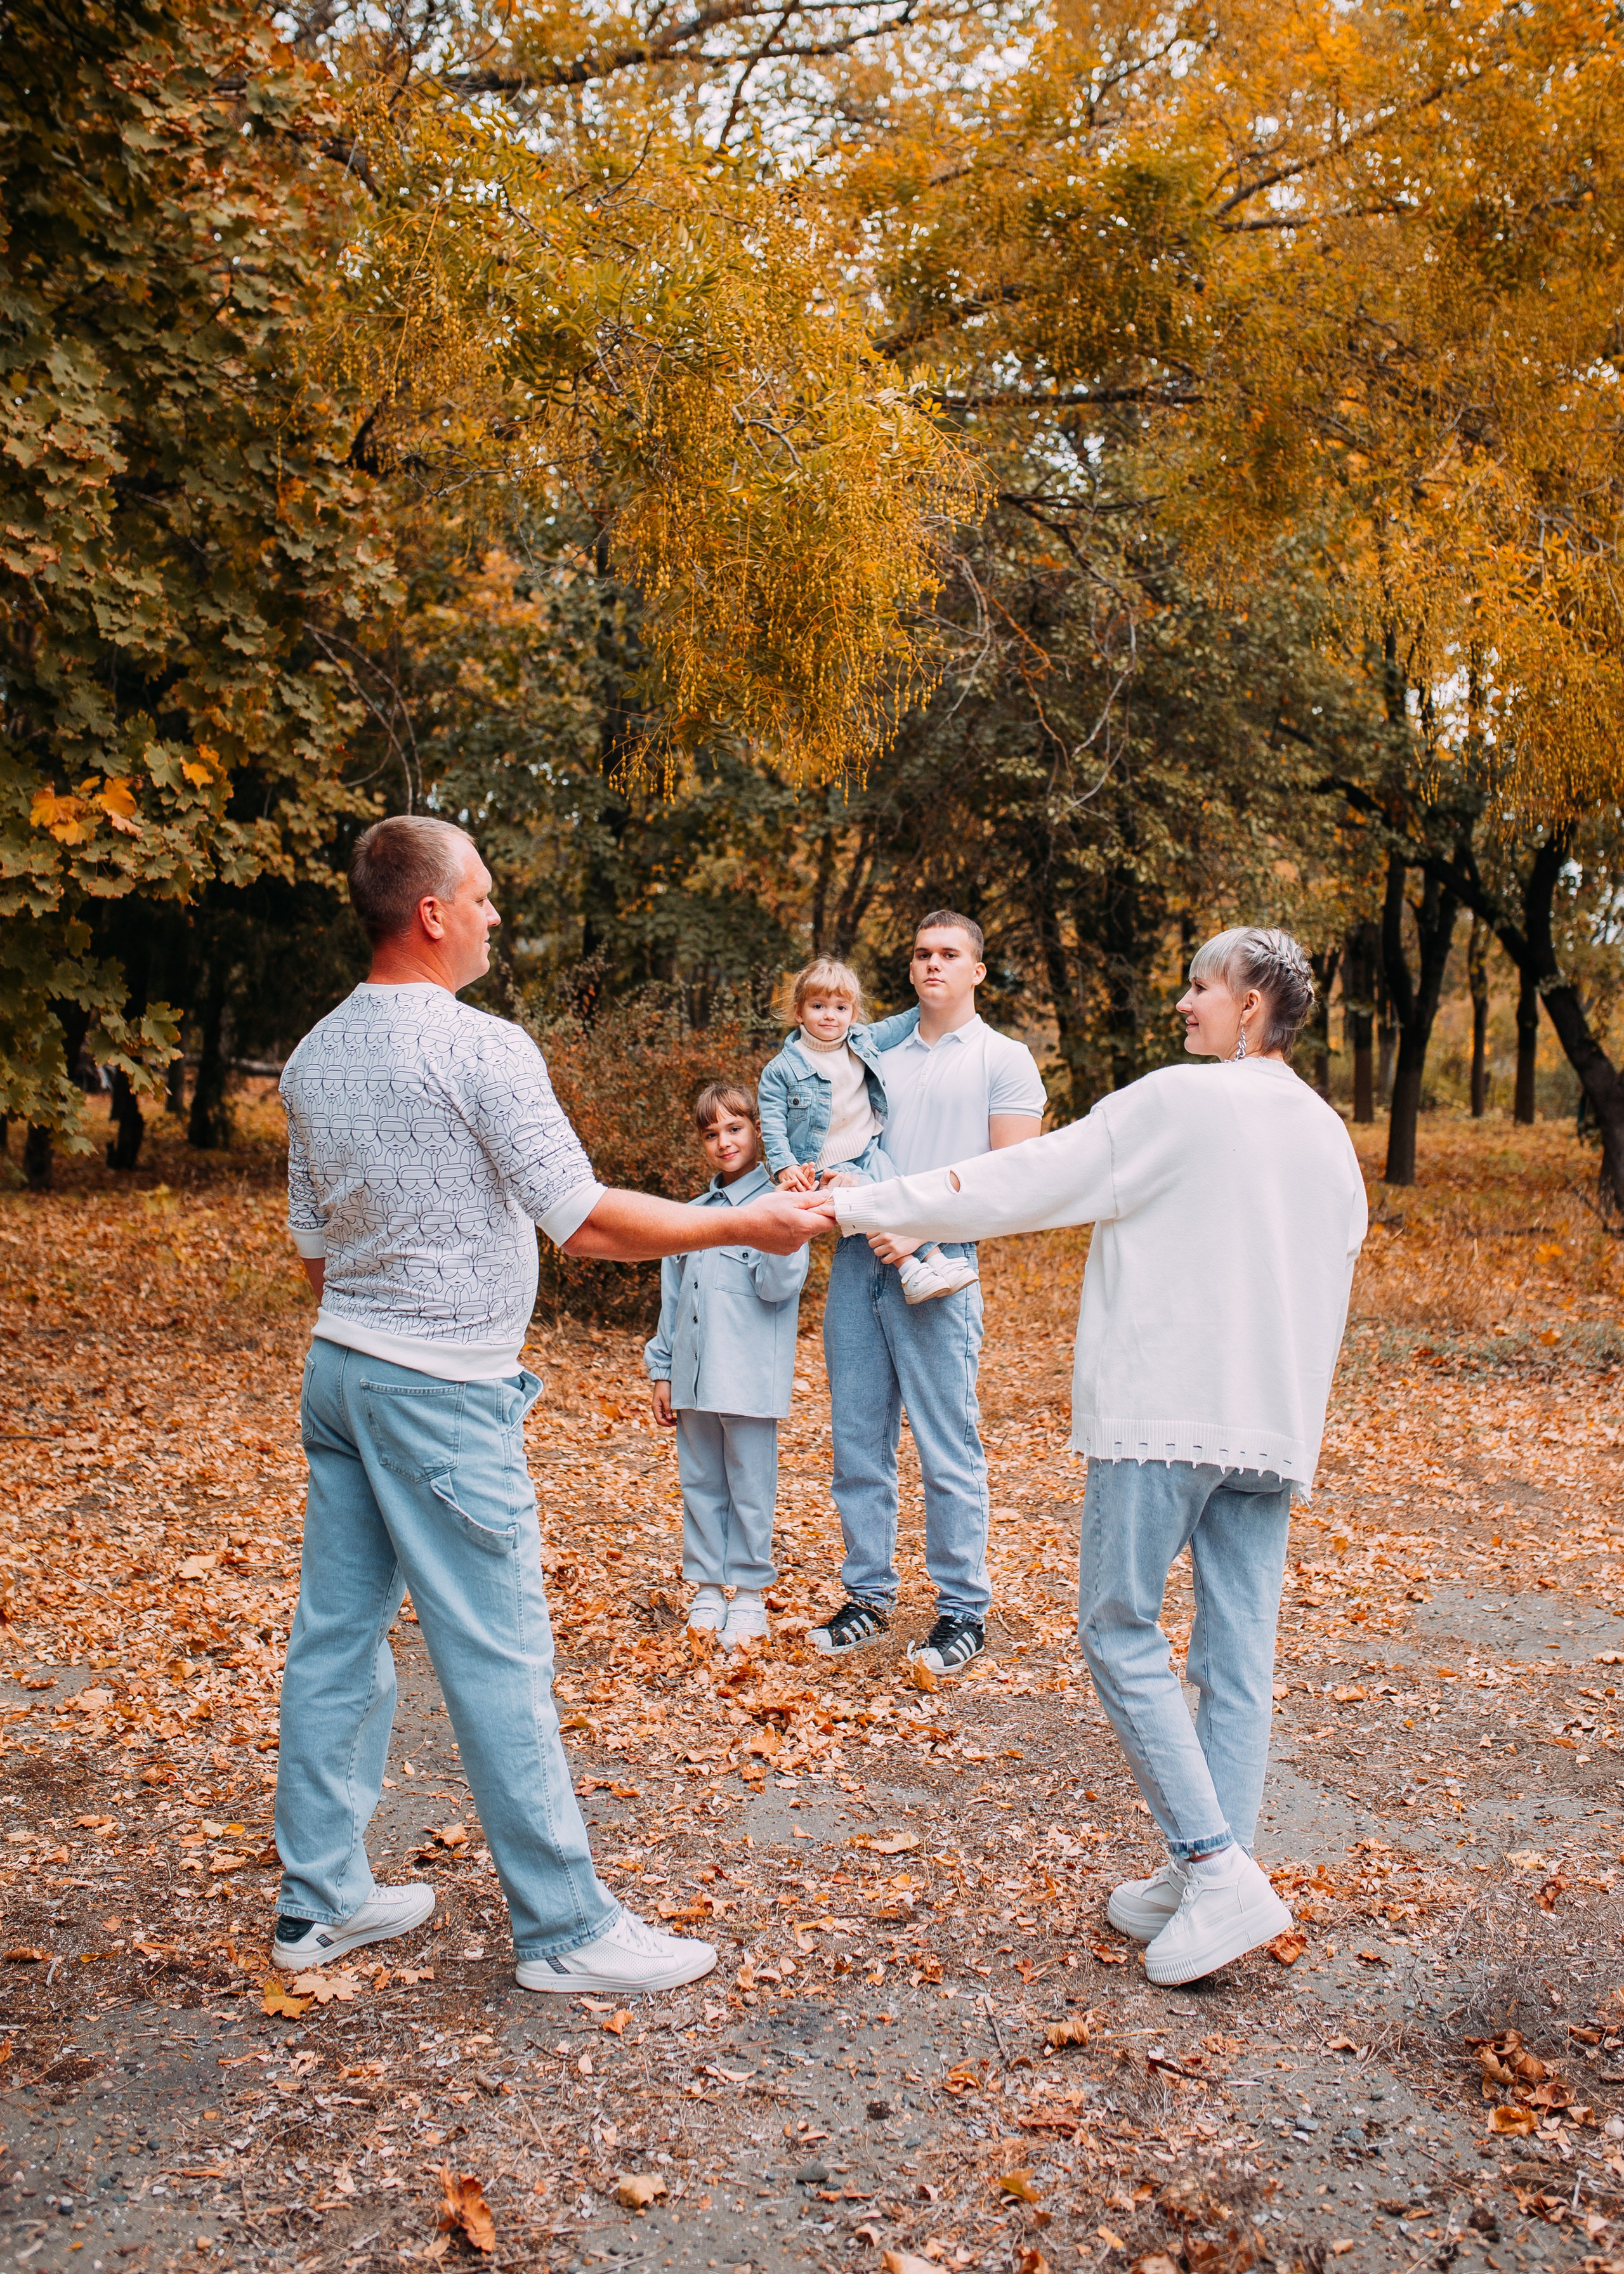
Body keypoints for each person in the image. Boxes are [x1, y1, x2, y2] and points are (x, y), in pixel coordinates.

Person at [273, 815, 818, 1996]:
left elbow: (315, 1255)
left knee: (335, 1642)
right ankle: (566, 1929)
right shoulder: (481, 1046)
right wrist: (747, 1220)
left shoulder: (312, 1055)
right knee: (501, 1655)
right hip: (440, 1395)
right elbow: (587, 1222)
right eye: (481, 896)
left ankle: (319, 1902)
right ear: (431, 913)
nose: (495, 915)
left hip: (342, 1376)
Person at [815, 927, 1367, 1987]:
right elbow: (1334, 1259)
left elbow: (1021, 1179)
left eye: (1202, 986)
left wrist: (853, 1202)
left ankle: (1213, 1869)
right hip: (1272, 1424)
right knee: (1236, 1659)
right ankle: (1207, 1869)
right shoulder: (1328, 1133)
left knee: (1118, 1629)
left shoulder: (1180, 1100)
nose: (1184, 1003)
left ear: (1252, 1006)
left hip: (1164, 1412)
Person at [807, 913, 1045, 1675]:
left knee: (947, 1448)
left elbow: (1014, 1185)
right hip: (858, 1258)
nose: (932, 964)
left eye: (948, 954)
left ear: (978, 971)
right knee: (857, 1443)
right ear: (909, 969)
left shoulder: (1005, 1060)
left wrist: (919, 1229)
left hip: (941, 1266)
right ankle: (867, 1598)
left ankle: (962, 1612)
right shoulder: (870, 1050)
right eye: (921, 954)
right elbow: (824, 1125)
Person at [644, 1082, 809, 1650]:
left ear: (757, 1131)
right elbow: (672, 1299)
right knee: (701, 1483)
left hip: (748, 1377)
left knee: (750, 1487)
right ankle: (709, 1588)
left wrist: (782, 1224)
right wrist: (663, 1369)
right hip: (692, 1375)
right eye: (711, 1133)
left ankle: (750, 1593)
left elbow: (777, 1288)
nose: (724, 1142)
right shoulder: (689, 1215)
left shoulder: (779, 1202)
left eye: (734, 1128)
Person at [757, 956, 971, 1302]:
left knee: (900, 1191)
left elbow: (904, 1022)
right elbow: (772, 1126)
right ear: (799, 1012)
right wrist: (785, 1166)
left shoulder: (860, 1040)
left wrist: (940, 996)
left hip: (867, 1149)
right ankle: (909, 1269)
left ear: (853, 1015)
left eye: (841, 1007)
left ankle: (936, 1260)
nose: (830, 1015)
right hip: (825, 1164)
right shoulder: (781, 1070)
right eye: (818, 1006)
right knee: (876, 1202)